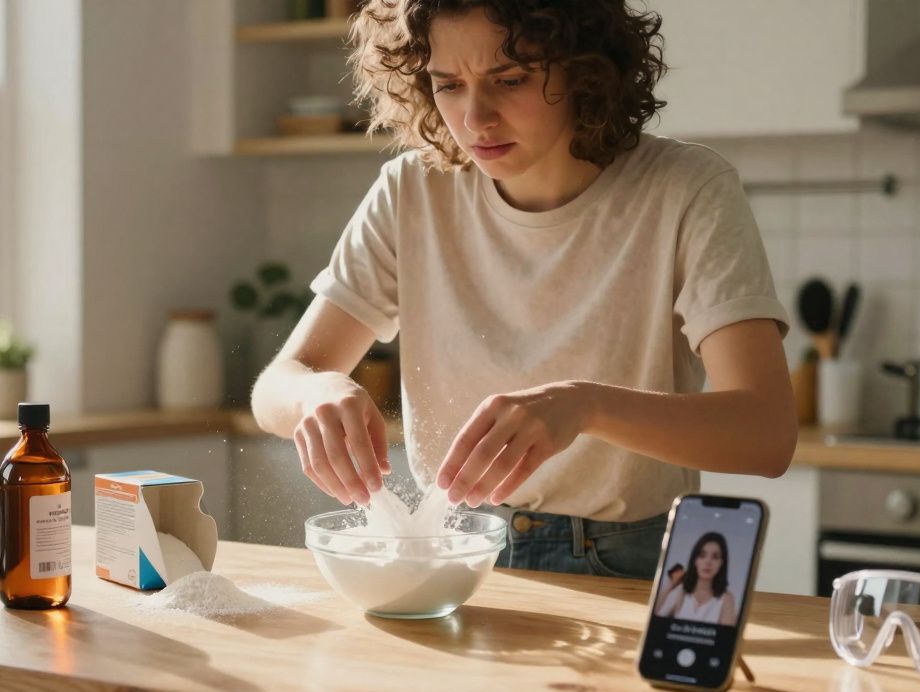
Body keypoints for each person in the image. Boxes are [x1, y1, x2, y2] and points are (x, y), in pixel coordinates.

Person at [250, 0, 796, 579]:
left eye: (508, 80)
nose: (475, 118)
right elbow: (278, 386)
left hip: (625, 557)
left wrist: (586, 406)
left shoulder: (687, 190)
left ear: (584, 71)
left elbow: (765, 436)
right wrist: (316, 395)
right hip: (454, 547)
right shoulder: (411, 192)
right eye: (448, 85)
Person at [655, 532, 737, 626]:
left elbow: (724, 637)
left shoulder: (727, 599)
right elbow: (657, 619)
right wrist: (670, 584)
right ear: (695, 560)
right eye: (702, 555)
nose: (708, 562)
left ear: (721, 563)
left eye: (715, 557)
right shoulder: (681, 592)